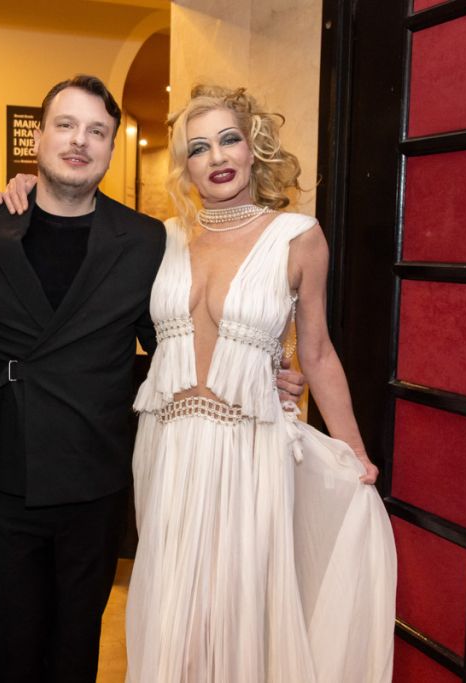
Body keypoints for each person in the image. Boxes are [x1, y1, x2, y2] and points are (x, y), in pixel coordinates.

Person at [0, 76, 307, 683]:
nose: (79, 141)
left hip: (95, 474)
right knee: (9, 647)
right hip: (1, 473)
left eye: (96, 131)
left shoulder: (144, 239)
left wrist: (264, 369)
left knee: (77, 646)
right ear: (39, 137)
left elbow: (173, 336)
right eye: (65, 125)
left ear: (112, 148)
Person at [124, 86, 397, 682]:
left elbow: (317, 352)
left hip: (248, 450)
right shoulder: (162, 239)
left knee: (238, 612)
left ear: (254, 149)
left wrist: (354, 449)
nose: (217, 156)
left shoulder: (298, 236)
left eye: (230, 139)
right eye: (199, 147)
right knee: (173, 620)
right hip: (167, 448)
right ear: (186, 165)